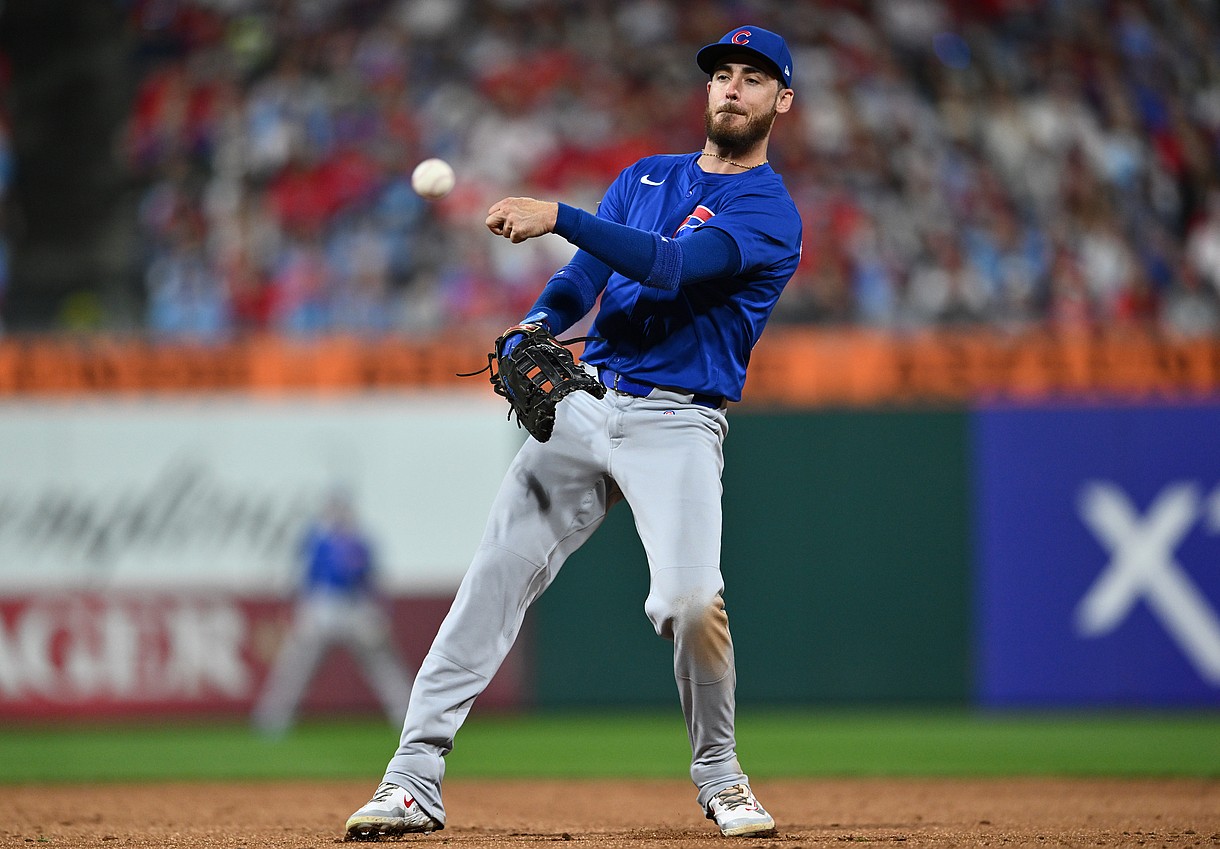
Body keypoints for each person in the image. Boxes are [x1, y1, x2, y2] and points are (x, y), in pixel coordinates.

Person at [345, 24, 801, 839]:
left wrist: (558, 211)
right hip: (585, 404)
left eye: (754, 79)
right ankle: (411, 778)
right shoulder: (645, 177)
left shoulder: (769, 209)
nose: (733, 87)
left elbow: (670, 268)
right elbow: (581, 280)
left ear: (781, 101)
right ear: (707, 91)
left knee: (694, 603)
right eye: (723, 74)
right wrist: (538, 319)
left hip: (678, 422)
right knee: (491, 581)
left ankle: (721, 776)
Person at [252, 490, 415, 737]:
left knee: (384, 667)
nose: (338, 513)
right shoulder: (318, 540)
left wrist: (382, 611)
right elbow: (306, 577)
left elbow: (371, 581)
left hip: (355, 608)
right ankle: (272, 721)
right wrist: (295, 608)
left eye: (342, 508)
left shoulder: (360, 541)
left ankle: (409, 718)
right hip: (323, 607)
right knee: (295, 668)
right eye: (334, 508)